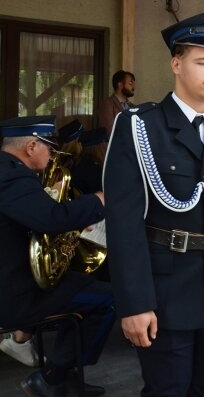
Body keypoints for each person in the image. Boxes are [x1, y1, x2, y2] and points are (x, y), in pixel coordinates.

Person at [103, 11, 204, 396]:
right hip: (166, 292)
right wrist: (134, 303)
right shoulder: (140, 126)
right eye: (201, 62)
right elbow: (124, 223)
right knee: (168, 389)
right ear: (176, 64)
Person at [0, 115, 114, 396]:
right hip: (17, 294)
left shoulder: (10, 171)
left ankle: (65, 376)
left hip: (18, 281)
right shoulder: (12, 177)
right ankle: (54, 378)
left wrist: (74, 218)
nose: (52, 154)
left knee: (88, 287)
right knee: (109, 299)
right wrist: (96, 201)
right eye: (48, 147)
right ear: (31, 146)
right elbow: (51, 219)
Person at [98, 70, 136, 134]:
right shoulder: (107, 104)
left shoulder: (133, 107)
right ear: (120, 85)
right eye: (130, 83)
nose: (133, 87)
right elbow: (109, 131)